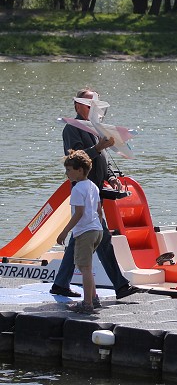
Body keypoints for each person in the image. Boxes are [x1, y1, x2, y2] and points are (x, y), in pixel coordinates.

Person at [50, 88, 140, 302]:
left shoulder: (95, 126)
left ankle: (61, 284)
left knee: (86, 236)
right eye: (89, 104)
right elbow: (77, 159)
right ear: (78, 105)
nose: (94, 108)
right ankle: (120, 285)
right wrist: (98, 146)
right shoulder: (73, 128)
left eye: (96, 104)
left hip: (96, 189)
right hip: (84, 189)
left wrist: (112, 176)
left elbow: (103, 157)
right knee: (100, 237)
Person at [56, 150, 104, 313]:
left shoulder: (77, 189)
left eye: (69, 170)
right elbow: (99, 210)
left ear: (80, 170)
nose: (67, 173)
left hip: (85, 232)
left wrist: (64, 232)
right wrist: (100, 226)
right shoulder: (93, 186)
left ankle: (87, 304)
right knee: (88, 267)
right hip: (97, 230)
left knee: (84, 268)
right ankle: (94, 298)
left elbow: (79, 213)